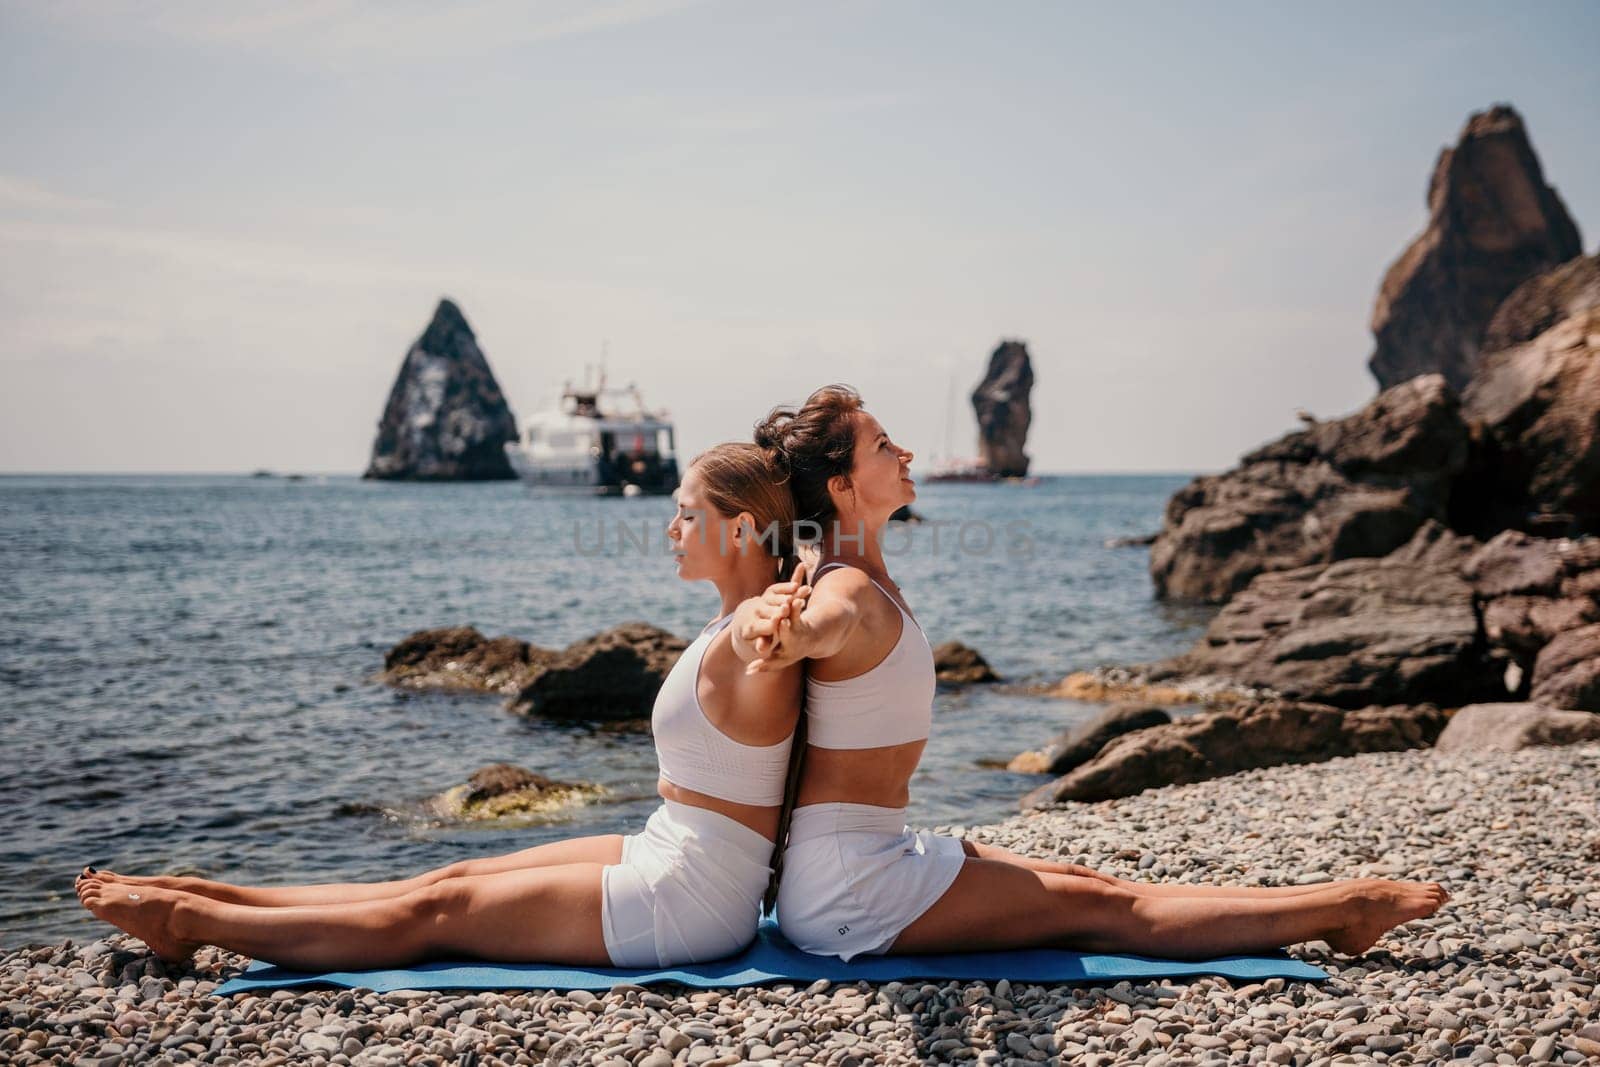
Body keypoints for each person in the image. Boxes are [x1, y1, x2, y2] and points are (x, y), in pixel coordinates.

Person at [737, 385, 1449, 962]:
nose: (907, 451)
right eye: (884, 445)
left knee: (1090, 880)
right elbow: (816, 624)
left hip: (867, 848)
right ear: (842, 487)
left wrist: (795, 618)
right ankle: (1343, 910)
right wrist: (788, 634)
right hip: (849, 887)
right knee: (1108, 913)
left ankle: (1328, 896)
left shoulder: (850, 572)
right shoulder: (845, 589)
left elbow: (816, 606)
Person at [76, 443, 804, 972]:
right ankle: (213, 891)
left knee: (434, 918)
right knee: (445, 880)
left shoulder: (753, 628)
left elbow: (765, 628)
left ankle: (186, 920)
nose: (670, 529)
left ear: (739, 529)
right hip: (670, 845)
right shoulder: (732, 615)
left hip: (691, 901)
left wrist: (781, 604)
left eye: (685, 514)